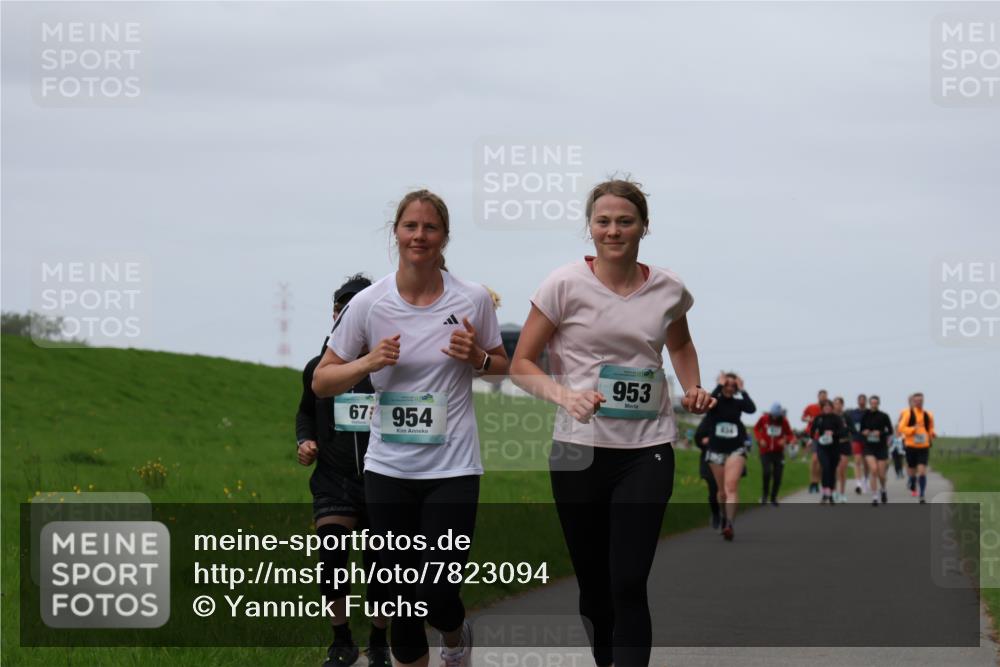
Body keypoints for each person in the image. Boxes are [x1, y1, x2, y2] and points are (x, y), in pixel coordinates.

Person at [511, 178, 714, 667]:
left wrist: (691, 386)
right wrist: (566, 396)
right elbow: (522, 364)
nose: (614, 230)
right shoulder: (562, 285)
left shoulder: (668, 288)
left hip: (648, 449)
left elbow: (680, 345)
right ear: (590, 227)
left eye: (625, 221)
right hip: (578, 451)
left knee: (628, 580)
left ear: (644, 226)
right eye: (603, 221)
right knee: (595, 584)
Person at [313, 189, 509, 667]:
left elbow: (504, 366)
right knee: (401, 599)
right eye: (410, 227)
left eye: (430, 227)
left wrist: (478, 357)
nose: (419, 236)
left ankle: (456, 631)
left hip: (453, 468)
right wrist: (368, 361)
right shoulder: (369, 303)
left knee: (439, 593)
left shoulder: (473, 298)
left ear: (445, 237)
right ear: (396, 233)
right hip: (388, 469)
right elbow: (322, 380)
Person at [296, 274, 392, 667]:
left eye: (356, 308)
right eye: (341, 307)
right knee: (332, 557)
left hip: (383, 477)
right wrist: (304, 441)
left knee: (380, 564)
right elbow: (305, 412)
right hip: (334, 480)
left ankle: (380, 641)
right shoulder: (317, 367)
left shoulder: (389, 368)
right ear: (334, 314)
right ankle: (341, 641)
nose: (346, 314)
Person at [702, 372, 756, 539]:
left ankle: (730, 524)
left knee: (731, 486)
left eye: (734, 385)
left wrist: (743, 389)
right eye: (728, 384)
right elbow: (706, 403)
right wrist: (719, 384)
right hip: (716, 450)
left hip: (736, 449)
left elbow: (751, 409)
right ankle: (724, 517)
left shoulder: (739, 403)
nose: (730, 387)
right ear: (722, 384)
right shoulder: (714, 401)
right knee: (722, 492)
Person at [753, 403, 794, 506]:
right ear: (771, 413)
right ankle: (764, 495)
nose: (775, 417)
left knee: (778, 475)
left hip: (778, 453)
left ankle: (773, 497)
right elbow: (756, 429)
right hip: (765, 451)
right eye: (774, 415)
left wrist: (785, 440)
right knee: (766, 472)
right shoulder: (764, 419)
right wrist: (760, 439)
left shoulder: (784, 421)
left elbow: (790, 434)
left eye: (777, 415)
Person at [898, 392, 936, 503]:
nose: (919, 402)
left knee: (922, 471)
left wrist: (932, 434)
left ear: (923, 401)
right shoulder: (907, 413)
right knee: (912, 469)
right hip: (911, 446)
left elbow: (931, 428)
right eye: (917, 401)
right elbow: (901, 428)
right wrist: (912, 429)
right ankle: (912, 481)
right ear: (913, 402)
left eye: (921, 400)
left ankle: (922, 495)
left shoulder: (928, 414)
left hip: (924, 446)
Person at [810, 400, 846, 505]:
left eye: (828, 406)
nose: (827, 408)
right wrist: (815, 434)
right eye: (824, 406)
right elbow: (812, 432)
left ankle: (830, 493)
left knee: (831, 470)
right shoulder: (819, 418)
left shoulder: (837, 418)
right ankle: (825, 492)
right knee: (825, 467)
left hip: (834, 448)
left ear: (832, 407)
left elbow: (843, 431)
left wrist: (833, 433)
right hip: (822, 447)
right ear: (822, 408)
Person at [860, 394, 894, 506]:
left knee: (881, 474)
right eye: (872, 403)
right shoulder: (865, 415)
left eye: (876, 403)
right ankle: (875, 496)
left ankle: (883, 489)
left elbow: (890, 431)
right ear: (870, 404)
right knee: (873, 470)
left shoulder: (884, 416)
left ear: (878, 404)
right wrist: (865, 432)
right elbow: (861, 429)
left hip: (881, 447)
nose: (874, 405)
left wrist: (881, 433)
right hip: (869, 447)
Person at [694, 416, 722, 529]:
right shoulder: (708, 419)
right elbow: (698, 437)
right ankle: (716, 514)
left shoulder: (732, 417)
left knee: (726, 490)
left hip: (727, 459)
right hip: (709, 458)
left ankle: (726, 517)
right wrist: (703, 441)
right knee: (713, 490)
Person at [801, 389, 827, 494]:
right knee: (815, 459)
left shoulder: (828, 409)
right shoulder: (811, 407)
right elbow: (802, 417)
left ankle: (817, 482)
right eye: (822, 396)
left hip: (825, 437)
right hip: (813, 435)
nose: (823, 398)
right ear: (818, 397)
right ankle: (812, 482)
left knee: (821, 461)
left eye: (825, 396)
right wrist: (809, 420)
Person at [845, 394, 869, 495]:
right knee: (857, 460)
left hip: (868, 440)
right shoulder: (853, 413)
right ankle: (858, 483)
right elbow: (848, 424)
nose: (862, 401)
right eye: (860, 400)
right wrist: (850, 431)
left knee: (866, 463)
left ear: (866, 401)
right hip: (856, 439)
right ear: (858, 401)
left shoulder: (869, 412)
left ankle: (865, 480)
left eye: (864, 400)